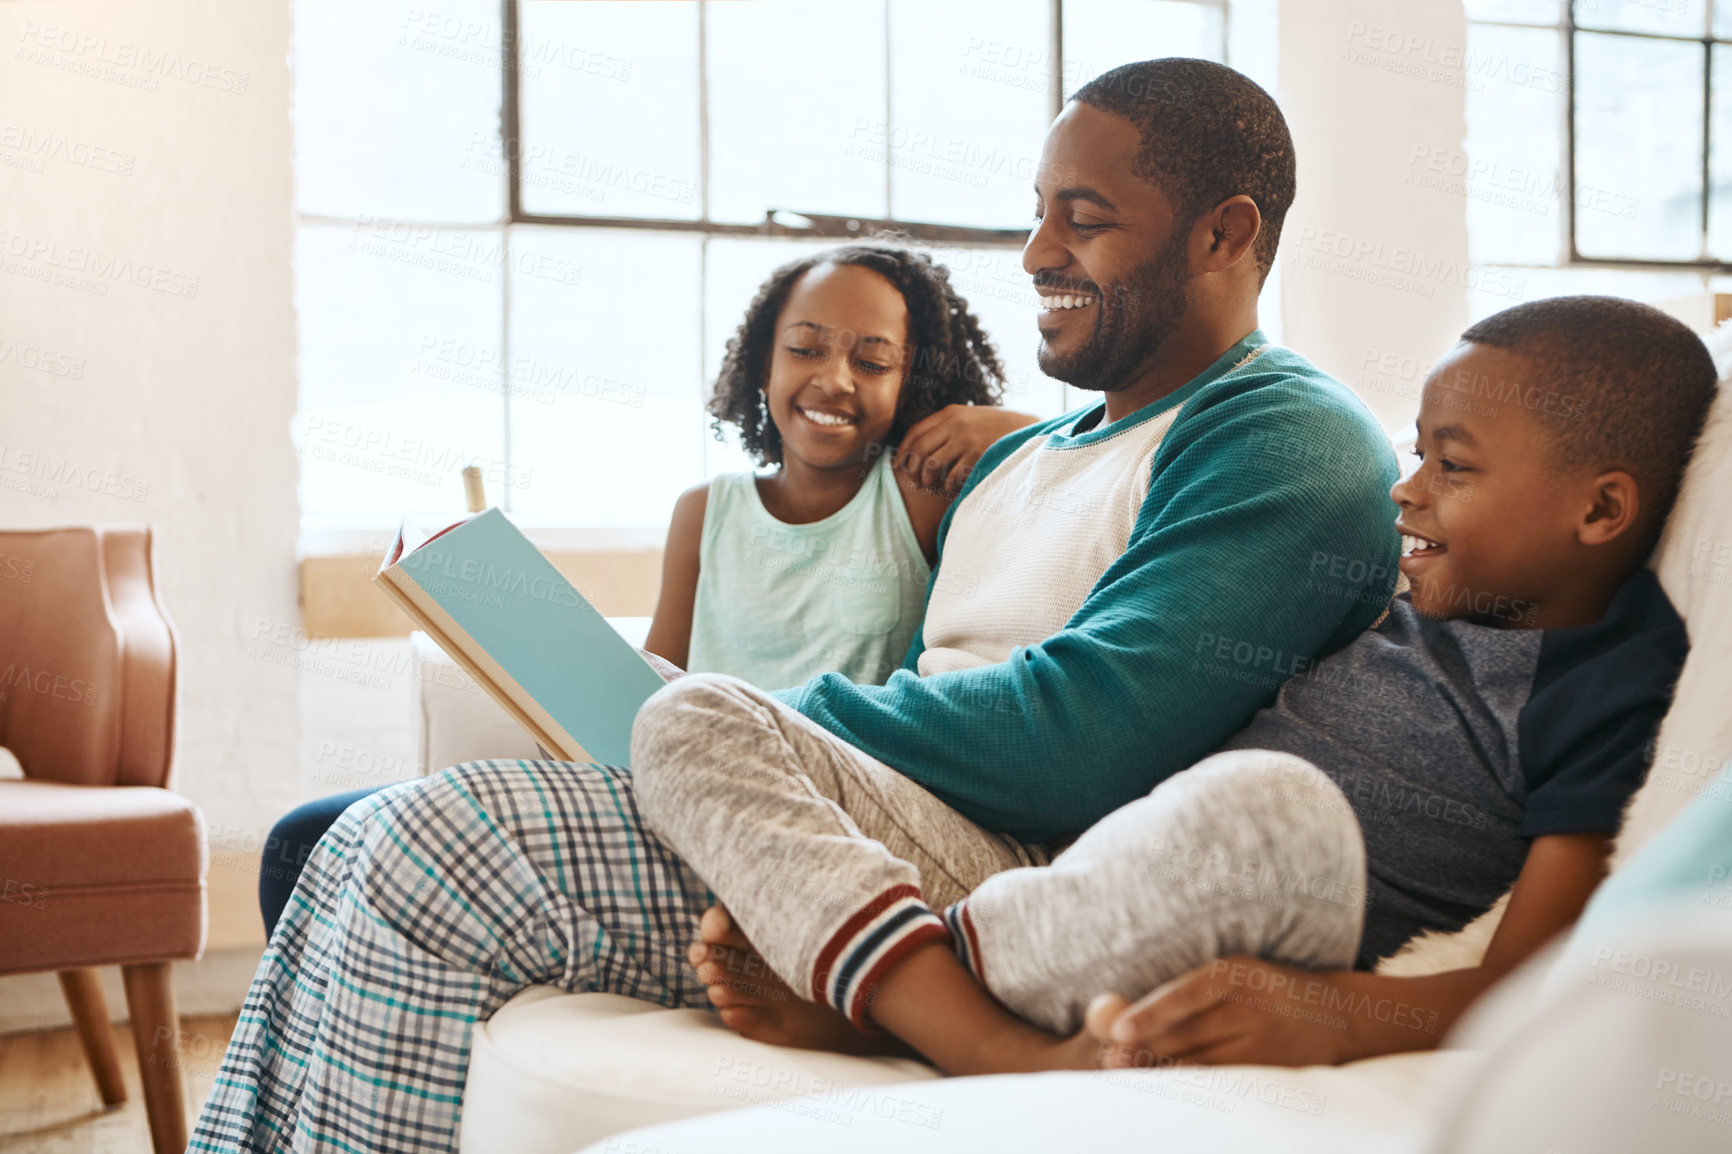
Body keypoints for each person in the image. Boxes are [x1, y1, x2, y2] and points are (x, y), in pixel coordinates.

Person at [192, 58, 1399, 1154]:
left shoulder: (1282, 432)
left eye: (1081, 220)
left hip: (997, 863)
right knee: (351, 840)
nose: (1035, 251)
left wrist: (769, 722)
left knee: (432, 848)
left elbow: (1089, 737)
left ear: (1223, 233)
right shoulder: (1021, 451)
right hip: (853, 823)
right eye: (1035, 211)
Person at [655, 295, 1712, 1076]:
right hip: (1077, 878)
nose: (1406, 488)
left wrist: (1336, 1011)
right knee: (688, 714)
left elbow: (1533, 978)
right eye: (1415, 454)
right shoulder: (1406, 589)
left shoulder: (1609, 679)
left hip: (1261, 885)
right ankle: (920, 999)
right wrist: (1031, 438)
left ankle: (917, 1009)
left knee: (1271, 807)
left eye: (1453, 466)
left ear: (1601, 509)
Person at [251, 244, 1034, 937]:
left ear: (916, 380)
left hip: (801, 809)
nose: (834, 378)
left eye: (872, 361)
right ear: (765, 364)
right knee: (309, 836)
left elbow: (1085, 456)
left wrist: (999, 423)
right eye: (805, 349)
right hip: (675, 785)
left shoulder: (914, 497)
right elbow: (649, 691)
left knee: (372, 835)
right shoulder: (706, 511)